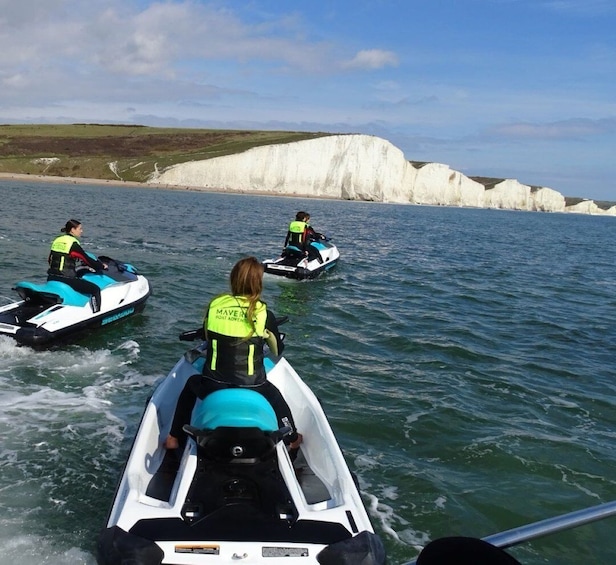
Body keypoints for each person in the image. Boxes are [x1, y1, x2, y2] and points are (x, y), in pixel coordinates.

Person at [164, 257, 302, 451]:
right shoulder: (263, 313)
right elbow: (277, 351)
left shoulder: (215, 306)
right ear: (258, 283)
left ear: (233, 280)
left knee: (189, 386)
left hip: (213, 383)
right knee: (276, 397)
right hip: (253, 384)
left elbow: (207, 334)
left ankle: (173, 438)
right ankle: (293, 438)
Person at [47, 219, 108, 313]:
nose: (81, 231)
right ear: (72, 230)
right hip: (66, 278)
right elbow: (87, 259)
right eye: (80, 229)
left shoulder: (57, 240)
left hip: (51, 277)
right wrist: (101, 266)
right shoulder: (72, 243)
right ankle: (97, 314)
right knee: (95, 289)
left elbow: (50, 259)